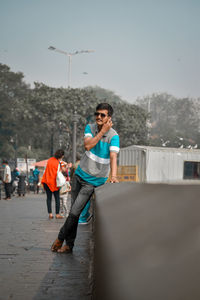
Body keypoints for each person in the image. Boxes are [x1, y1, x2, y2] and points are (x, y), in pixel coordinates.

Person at [51, 103, 120, 253]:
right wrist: (102, 132)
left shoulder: (114, 136)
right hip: (79, 175)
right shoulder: (90, 127)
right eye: (97, 114)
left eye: (103, 115)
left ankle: (60, 238)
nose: (99, 117)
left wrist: (113, 176)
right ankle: (69, 245)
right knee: (73, 214)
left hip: (93, 181)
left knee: (75, 212)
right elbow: (88, 146)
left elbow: (114, 157)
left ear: (109, 118)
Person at [41, 149, 67, 219]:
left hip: (47, 181)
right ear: (62, 156)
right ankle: (57, 214)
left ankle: (50, 214)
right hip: (55, 182)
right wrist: (66, 166)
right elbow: (63, 170)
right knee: (57, 198)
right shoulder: (60, 162)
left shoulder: (50, 160)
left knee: (49, 198)